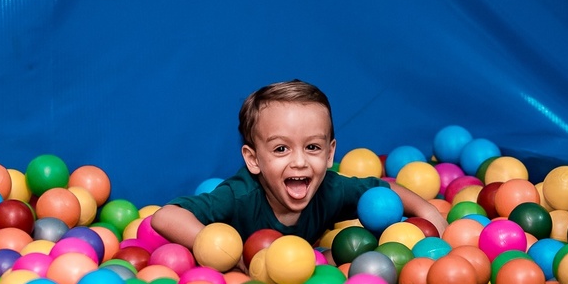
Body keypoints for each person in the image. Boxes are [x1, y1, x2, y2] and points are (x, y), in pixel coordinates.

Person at [150, 80, 446, 254]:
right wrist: (226, 256)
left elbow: (384, 191)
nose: (300, 161)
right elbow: (166, 217)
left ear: (330, 154)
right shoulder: (238, 195)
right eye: (281, 149)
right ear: (253, 159)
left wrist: (429, 212)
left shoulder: (330, 188)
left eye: (313, 147)